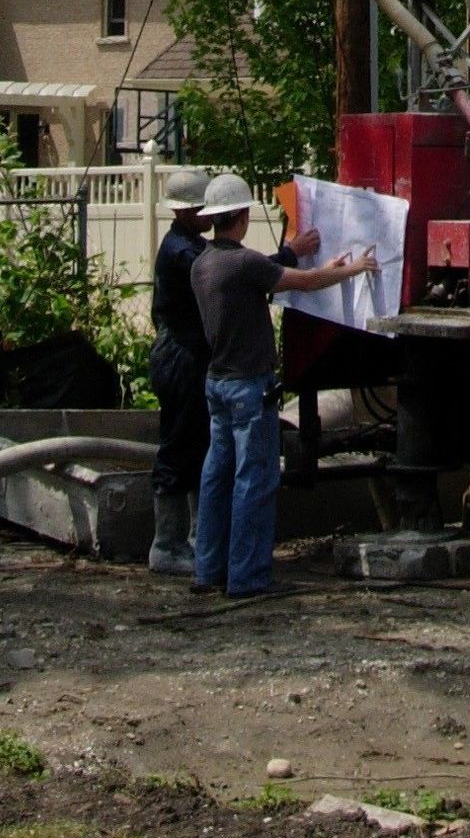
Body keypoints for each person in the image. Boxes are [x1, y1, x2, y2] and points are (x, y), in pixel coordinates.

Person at [189, 170, 378, 599]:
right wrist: (355, 269)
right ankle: (248, 578)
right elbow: (303, 283)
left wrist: (308, 259)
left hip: (216, 384)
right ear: (241, 217)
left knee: (217, 478)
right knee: (253, 481)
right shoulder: (244, 263)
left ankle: (208, 571)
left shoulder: (204, 265)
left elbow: (269, 274)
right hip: (248, 388)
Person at [145, 166, 212, 575]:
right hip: (179, 356)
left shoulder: (189, 244)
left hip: (190, 355)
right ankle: (167, 545)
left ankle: (195, 539)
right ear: (189, 211)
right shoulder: (183, 252)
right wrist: (286, 259)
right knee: (179, 446)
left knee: (200, 445)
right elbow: (230, 271)